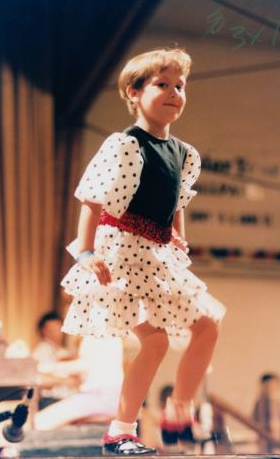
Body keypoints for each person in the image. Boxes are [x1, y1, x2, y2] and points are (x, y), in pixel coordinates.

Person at [61, 47, 226, 455]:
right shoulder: (124, 144)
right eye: (162, 84)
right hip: (120, 250)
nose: (174, 93)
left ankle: (179, 410)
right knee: (155, 342)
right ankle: (120, 431)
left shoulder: (185, 154)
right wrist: (85, 254)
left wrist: (176, 234)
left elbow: (177, 200)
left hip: (157, 253)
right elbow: (92, 202)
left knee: (208, 323)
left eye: (180, 86)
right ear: (133, 92)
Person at [34, 336, 123, 430]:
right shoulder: (99, 333)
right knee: (41, 421)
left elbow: (86, 365)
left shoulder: (99, 331)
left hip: (101, 396)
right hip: (101, 395)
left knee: (39, 422)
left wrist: (45, 367)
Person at [33, 312, 81, 409]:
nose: (56, 332)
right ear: (43, 331)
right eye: (51, 329)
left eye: (58, 328)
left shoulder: (63, 350)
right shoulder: (43, 349)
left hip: (67, 399)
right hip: (51, 400)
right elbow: (39, 379)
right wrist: (66, 380)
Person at [252, 373, 280, 453]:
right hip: (264, 437)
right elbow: (253, 419)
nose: (272, 388)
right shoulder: (260, 402)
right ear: (263, 386)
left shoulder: (277, 402)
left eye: (275, 385)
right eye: (269, 386)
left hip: (277, 436)